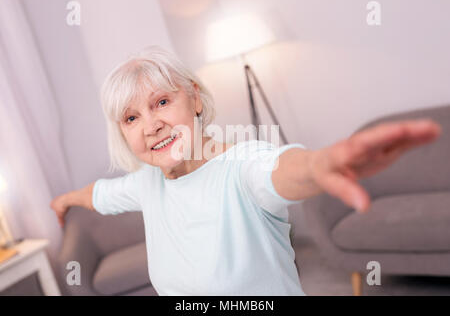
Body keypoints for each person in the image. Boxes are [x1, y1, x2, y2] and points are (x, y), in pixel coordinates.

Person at [50, 46, 441, 295]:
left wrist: (317, 164)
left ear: (196, 99)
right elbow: (99, 195)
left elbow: (279, 170)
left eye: (163, 102)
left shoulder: (241, 166)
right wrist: (64, 200)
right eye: (131, 117)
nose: (151, 126)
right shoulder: (146, 184)